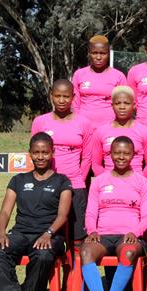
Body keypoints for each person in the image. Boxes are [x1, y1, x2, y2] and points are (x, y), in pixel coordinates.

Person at [0, 132, 72, 291]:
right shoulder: (18, 180)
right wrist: (1, 233)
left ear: (52, 153)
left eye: (45, 152)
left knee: (43, 255)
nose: (40, 156)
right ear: (30, 154)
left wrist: (48, 233)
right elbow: (5, 211)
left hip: (50, 235)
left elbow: (63, 215)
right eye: (36, 152)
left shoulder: (62, 181)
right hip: (20, 233)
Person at [81, 136, 147, 291]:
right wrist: (92, 230)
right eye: (117, 153)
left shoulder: (142, 182)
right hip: (103, 235)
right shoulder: (99, 181)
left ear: (133, 155)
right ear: (110, 154)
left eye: (126, 153)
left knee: (128, 252)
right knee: (86, 252)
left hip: (129, 236)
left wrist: (135, 232)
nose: (121, 157)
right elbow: (91, 212)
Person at [31, 79, 93, 242]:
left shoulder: (84, 123)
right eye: (57, 96)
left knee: (77, 238)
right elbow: (35, 153)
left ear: (73, 97)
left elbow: (87, 157)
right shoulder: (40, 122)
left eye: (66, 96)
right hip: (47, 184)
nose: (61, 100)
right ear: (51, 95)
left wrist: (78, 180)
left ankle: (75, 258)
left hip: (75, 184)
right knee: (47, 236)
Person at [91, 86, 147, 180]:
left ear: (134, 105)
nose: (122, 107)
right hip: (109, 184)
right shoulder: (101, 132)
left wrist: (141, 182)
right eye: (118, 103)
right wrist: (104, 182)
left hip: (135, 184)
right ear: (112, 105)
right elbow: (96, 164)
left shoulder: (144, 132)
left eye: (126, 103)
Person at [71, 34, 128, 127]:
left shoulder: (119, 76)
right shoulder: (79, 74)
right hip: (84, 126)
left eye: (102, 53)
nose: (98, 57)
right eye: (94, 53)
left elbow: (124, 104)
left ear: (108, 53)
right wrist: (78, 123)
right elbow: (75, 104)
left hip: (110, 127)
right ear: (89, 53)